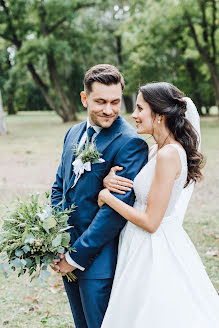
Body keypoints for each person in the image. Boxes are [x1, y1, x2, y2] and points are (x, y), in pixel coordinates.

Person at [98, 82, 219, 328]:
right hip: (137, 243)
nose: (133, 115)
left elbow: (151, 222)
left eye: (140, 108)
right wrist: (109, 181)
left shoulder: (168, 155)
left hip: (153, 248)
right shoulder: (156, 150)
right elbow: (139, 191)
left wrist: (107, 198)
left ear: (159, 115)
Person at [51, 64, 148, 328]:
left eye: (115, 102)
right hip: (65, 251)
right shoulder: (72, 133)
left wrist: (75, 256)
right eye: (100, 101)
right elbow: (60, 185)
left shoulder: (130, 142)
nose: (109, 110)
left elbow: (114, 212)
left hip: (98, 262)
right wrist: (56, 237)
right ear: (84, 99)